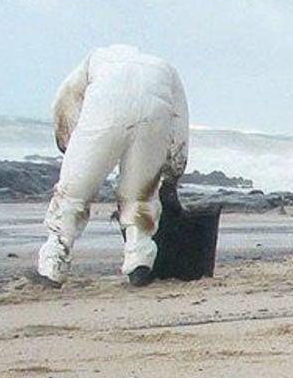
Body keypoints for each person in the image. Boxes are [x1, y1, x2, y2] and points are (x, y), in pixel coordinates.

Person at [36, 45, 188, 287]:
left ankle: (53, 265)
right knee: (140, 197)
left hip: (105, 112)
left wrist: (66, 144)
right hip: (154, 116)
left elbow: (65, 102)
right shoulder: (164, 67)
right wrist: (173, 172)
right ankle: (139, 264)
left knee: (73, 195)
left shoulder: (95, 59)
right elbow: (179, 120)